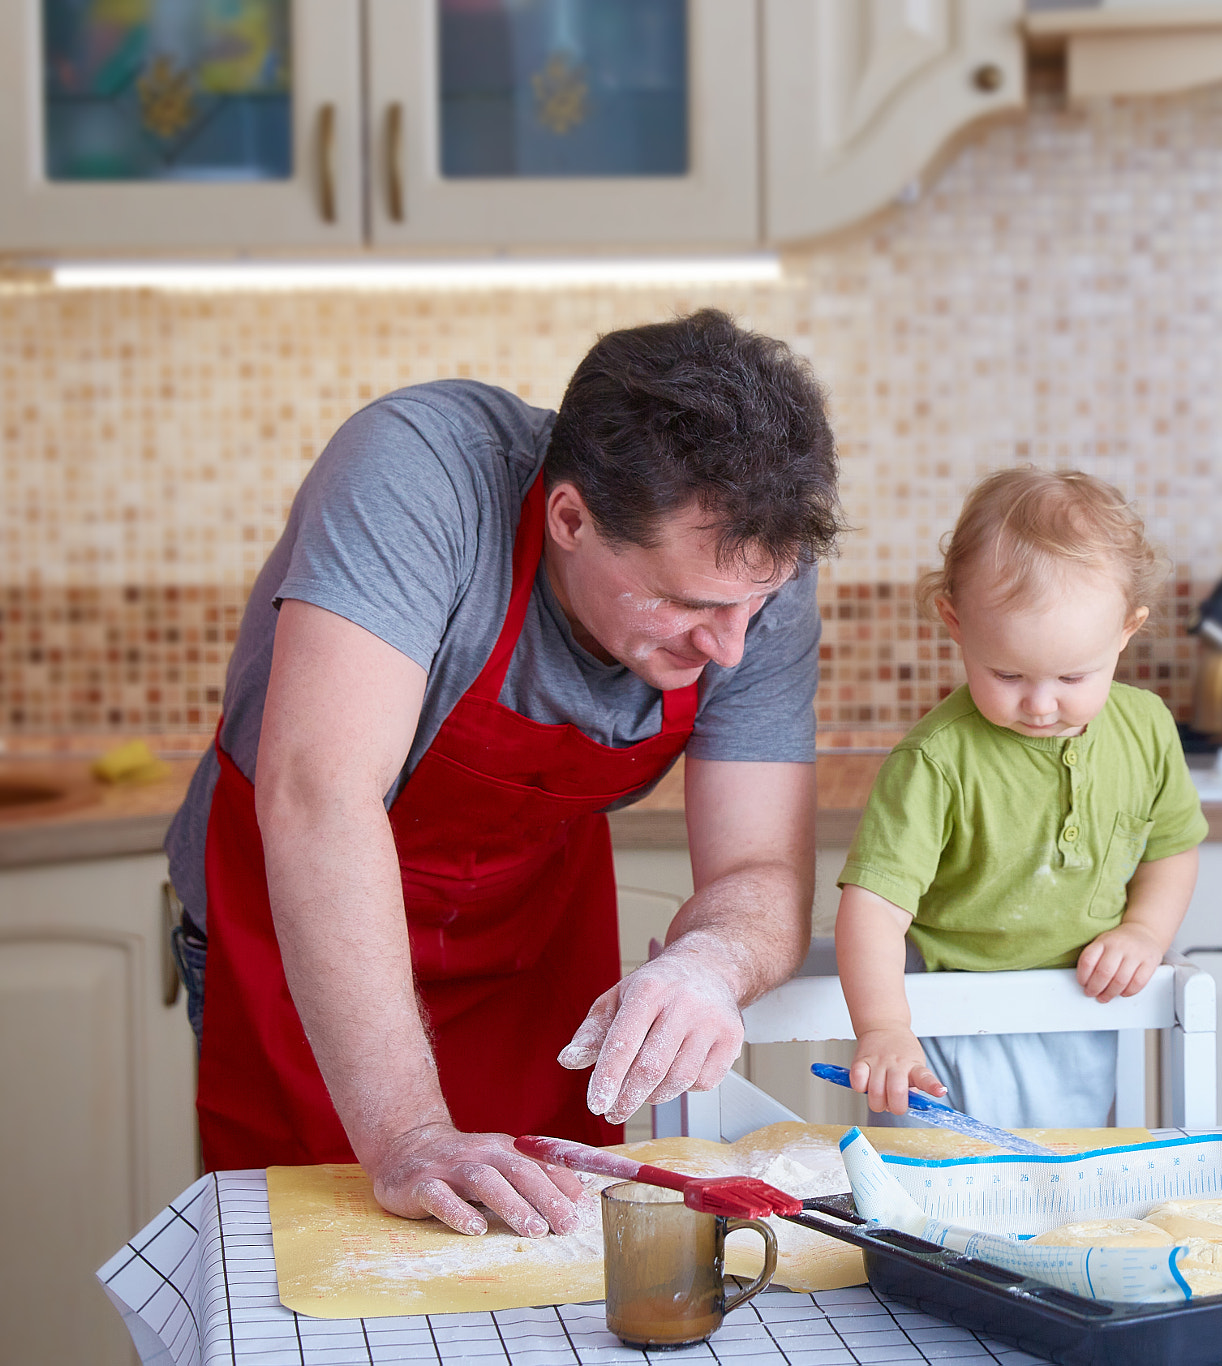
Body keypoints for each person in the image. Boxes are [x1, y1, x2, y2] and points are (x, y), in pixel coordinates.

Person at [163, 310, 842, 1238]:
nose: (731, 648)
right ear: (569, 518)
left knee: (537, 1273)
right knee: (309, 1270)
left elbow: (758, 869)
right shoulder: (415, 474)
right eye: (690, 606)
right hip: (297, 938)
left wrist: (713, 962)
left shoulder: (751, 558)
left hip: (530, 956)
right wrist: (408, 1133)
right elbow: (320, 796)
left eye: (756, 605)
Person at [832, 468, 1206, 1128]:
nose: (1039, 704)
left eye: (1072, 675)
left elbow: (1172, 849)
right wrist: (886, 1027)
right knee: (941, 1213)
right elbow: (875, 909)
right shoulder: (936, 760)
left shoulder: (1146, 728)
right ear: (955, 623)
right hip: (946, 1032)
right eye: (1006, 674)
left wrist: (1145, 930)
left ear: (1127, 630)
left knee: (1061, 1191)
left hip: (1082, 1018)